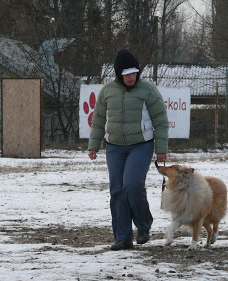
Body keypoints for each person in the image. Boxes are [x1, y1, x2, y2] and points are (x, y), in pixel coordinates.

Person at [88, 49, 169, 251]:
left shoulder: (148, 90)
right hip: (114, 146)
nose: (131, 77)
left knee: (132, 185)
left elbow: (160, 120)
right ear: (119, 74)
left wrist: (161, 149)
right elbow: (98, 120)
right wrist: (93, 145)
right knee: (117, 191)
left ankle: (143, 225)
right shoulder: (107, 91)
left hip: (141, 145)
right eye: (126, 74)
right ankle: (122, 237)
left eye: (134, 73)